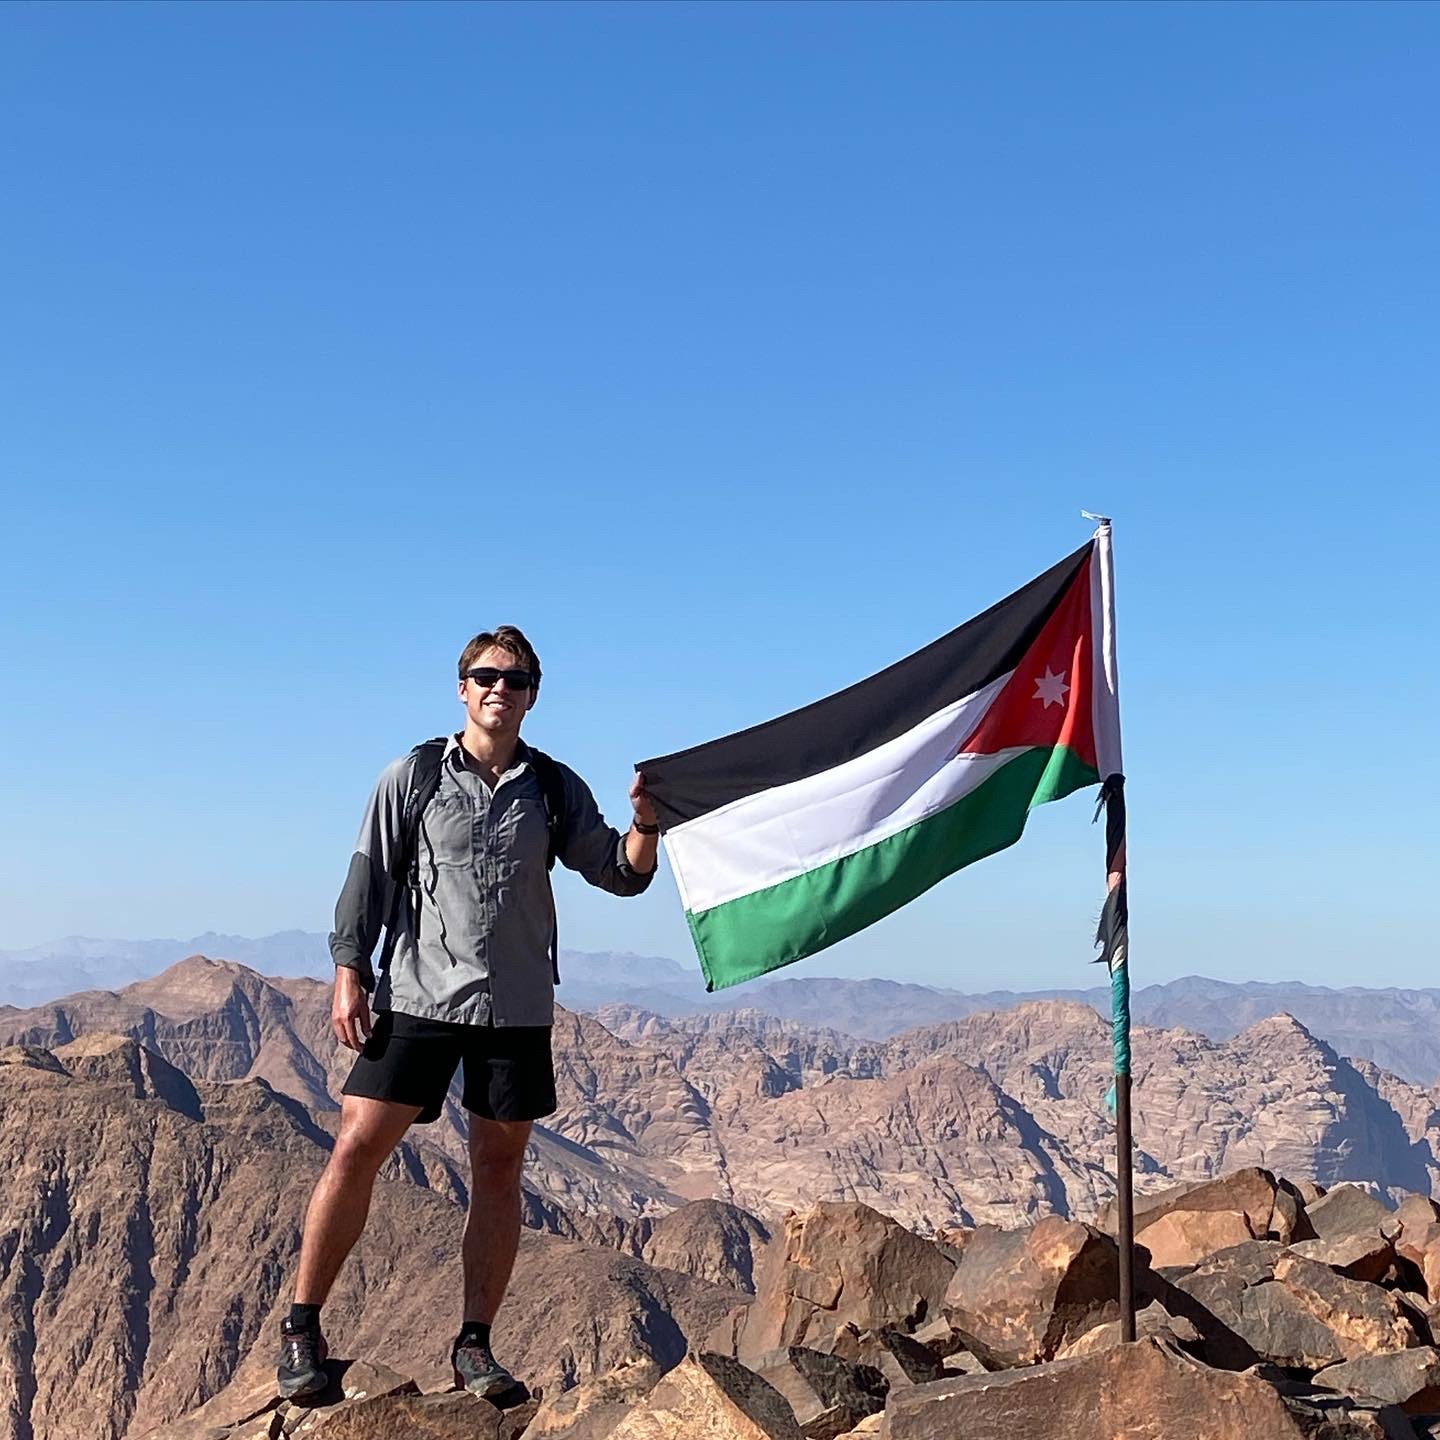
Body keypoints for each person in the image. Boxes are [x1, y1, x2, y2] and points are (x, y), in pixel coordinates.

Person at [277, 625, 658, 1404]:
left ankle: (474, 1346)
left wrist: (649, 822)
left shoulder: (552, 788)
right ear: (461, 687)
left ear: (532, 694)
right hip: (419, 995)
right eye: (485, 676)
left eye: (515, 680)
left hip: (515, 1008)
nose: (499, 690)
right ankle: (302, 1326)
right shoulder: (412, 776)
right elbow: (368, 876)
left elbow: (620, 873)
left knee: (499, 1169)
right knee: (355, 1148)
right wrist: (348, 972)